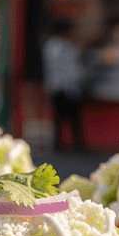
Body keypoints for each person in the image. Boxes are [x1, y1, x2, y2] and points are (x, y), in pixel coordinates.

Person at [42, 21, 84, 151]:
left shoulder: (67, 45)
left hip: (69, 87)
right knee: (60, 118)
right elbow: (59, 69)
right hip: (60, 88)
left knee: (73, 118)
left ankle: (74, 144)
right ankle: (58, 144)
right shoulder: (55, 46)